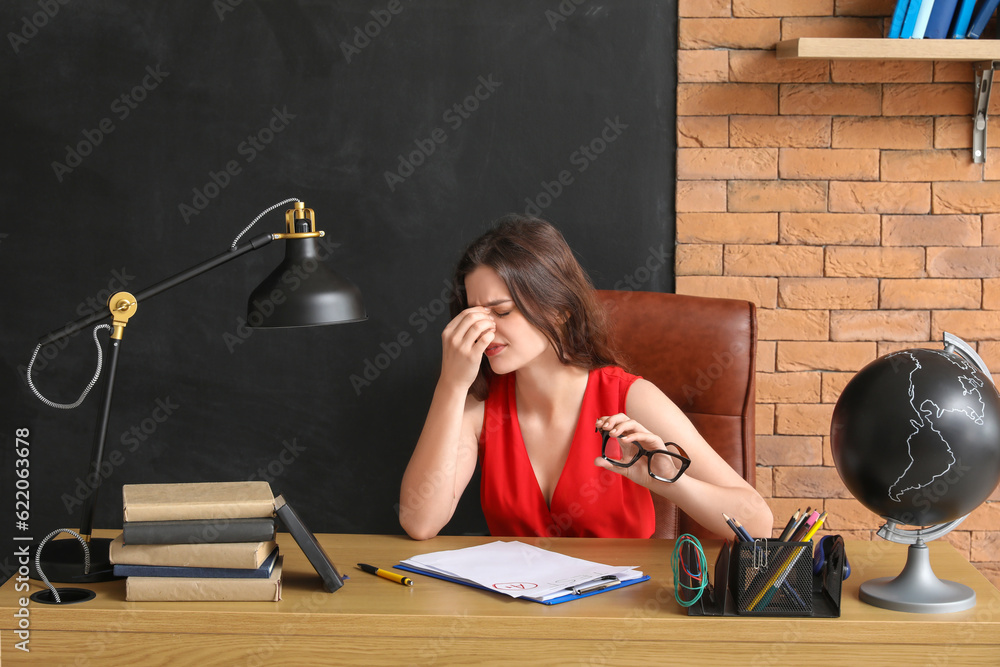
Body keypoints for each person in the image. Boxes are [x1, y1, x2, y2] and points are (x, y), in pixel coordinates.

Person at [399, 215, 772, 541]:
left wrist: (668, 482)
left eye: (502, 312)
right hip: (518, 614)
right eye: (473, 314)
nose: (483, 331)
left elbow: (758, 523)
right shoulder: (479, 405)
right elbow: (420, 522)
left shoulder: (630, 397)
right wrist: (451, 384)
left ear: (560, 309)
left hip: (619, 615)